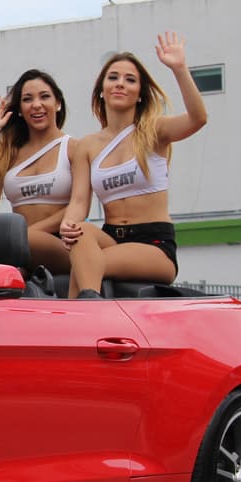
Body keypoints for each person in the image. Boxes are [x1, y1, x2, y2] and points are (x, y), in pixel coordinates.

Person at [59, 32, 208, 297]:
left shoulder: (154, 130)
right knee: (80, 234)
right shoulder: (88, 145)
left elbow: (198, 118)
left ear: (140, 94)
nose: (120, 84)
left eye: (130, 80)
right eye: (113, 78)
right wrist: (69, 224)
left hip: (153, 242)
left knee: (89, 265)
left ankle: (82, 314)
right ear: (101, 90)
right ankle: (82, 317)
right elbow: (79, 201)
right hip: (111, 236)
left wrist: (179, 69)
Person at [0, 69, 74, 275]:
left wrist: (26, 234)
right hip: (19, 244)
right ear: (19, 109)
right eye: (27, 99)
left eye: (44, 97)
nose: (36, 105)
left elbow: (79, 205)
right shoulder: (11, 151)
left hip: (59, 242)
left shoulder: (72, 146)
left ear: (58, 103)